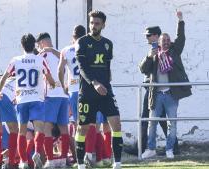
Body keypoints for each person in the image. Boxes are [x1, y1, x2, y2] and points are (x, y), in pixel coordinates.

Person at [0, 33, 55, 169]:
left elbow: (4, 76)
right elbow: (49, 77)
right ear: (34, 45)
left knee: (22, 131)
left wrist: (0, 91)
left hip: (22, 100)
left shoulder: (15, 60)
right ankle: (36, 153)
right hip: (37, 99)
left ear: (22, 46)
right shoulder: (40, 60)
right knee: (39, 129)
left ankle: (23, 161)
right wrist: (51, 84)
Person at [140, 11, 192, 159]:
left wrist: (180, 20)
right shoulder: (154, 54)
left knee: (172, 125)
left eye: (168, 40)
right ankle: (150, 149)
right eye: (164, 40)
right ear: (159, 42)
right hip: (156, 95)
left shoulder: (175, 52)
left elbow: (181, 38)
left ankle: (170, 149)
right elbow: (143, 69)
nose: (166, 42)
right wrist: (149, 56)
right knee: (152, 123)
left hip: (171, 94)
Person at [75, 10, 123, 169]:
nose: (93, 26)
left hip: (105, 91)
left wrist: (107, 79)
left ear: (103, 25)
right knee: (83, 128)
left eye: (96, 23)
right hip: (88, 93)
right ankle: (81, 164)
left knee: (116, 123)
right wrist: (94, 83)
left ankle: (118, 163)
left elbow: (107, 65)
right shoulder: (81, 42)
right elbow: (82, 68)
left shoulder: (108, 44)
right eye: (91, 23)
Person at [124, 26, 178, 155]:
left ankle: (164, 147)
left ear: (156, 36)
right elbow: (142, 68)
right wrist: (149, 57)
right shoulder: (152, 51)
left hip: (158, 90)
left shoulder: (166, 50)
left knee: (156, 120)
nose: (146, 37)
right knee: (151, 119)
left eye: (149, 35)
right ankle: (145, 147)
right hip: (153, 89)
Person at [36, 32, 70, 168]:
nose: (38, 48)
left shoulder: (42, 55)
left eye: (39, 45)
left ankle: (50, 160)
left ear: (43, 43)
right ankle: (62, 160)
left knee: (47, 127)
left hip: (51, 95)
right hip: (63, 95)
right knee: (63, 128)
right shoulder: (60, 54)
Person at [58, 25, 86, 167]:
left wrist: (64, 87)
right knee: (90, 123)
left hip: (73, 90)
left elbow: (60, 71)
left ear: (73, 37)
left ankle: (78, 156)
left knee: (76, 125)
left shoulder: (66, 50)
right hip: (87, 89)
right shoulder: (88, 46)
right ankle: (89, 155)